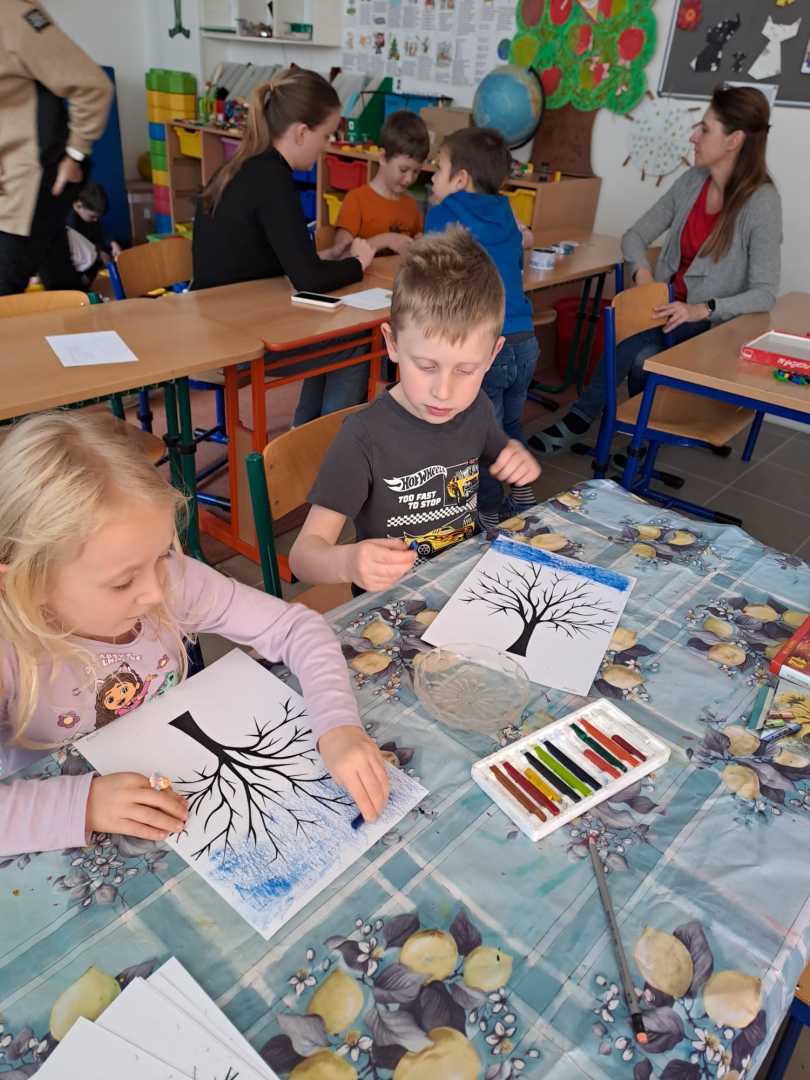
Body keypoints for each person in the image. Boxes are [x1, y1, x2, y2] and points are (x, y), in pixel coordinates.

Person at [0, 412, 388, 857]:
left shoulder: (172, 580)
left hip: (180, 790)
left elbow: (296, 627)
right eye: (122, 582)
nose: (154, 591)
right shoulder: (10, 649)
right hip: (61, 836)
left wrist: (337, 725)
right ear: (24, 584)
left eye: (163, 553)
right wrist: (82, 805)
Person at [530, 85, 782, 455]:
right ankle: (635, 437)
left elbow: (764, 293)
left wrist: (702, 309)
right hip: (666, 312)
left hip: (713, 329)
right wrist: (645, 279)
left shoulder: (762, 202)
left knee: (639, 355)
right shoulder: (692, 182)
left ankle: (602, 426)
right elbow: (634, 236)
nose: (693, 137)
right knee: (636, 344)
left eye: (704, 129)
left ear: (734, 140)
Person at [289, 228, 540, 595]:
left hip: (462, 587)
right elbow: (302, 556)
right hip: (393, 606)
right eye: (426, 366)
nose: (444, 391)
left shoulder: (477, 408)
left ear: (492, 355)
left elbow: (502, 451)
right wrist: (347, 562)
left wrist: (515, 457)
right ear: (392, 343)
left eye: (465, 370)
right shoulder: (362, 437)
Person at [192, 68, 375, 427]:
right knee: (354, 338)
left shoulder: (241, 167)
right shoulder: (274, 180)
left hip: (218, 320)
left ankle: (304, 431)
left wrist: (320, 258)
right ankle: (326, 442)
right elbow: (309, 281)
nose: (326, 146)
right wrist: (358, 263)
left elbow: (264, 258)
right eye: (325, 135)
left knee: (333, 328)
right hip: (236, 340)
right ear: (301, 132)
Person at [425, 127, 538, 529]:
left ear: (460, 178)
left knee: (480, 436)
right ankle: (522, 495)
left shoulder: (444, 214)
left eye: (438, 168)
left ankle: (486, 513)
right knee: (509, 424)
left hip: (487, 346)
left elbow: (430, 277)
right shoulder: (506, 210)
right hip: (525, 341)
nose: (432, 177)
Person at [0, 0, 112, 295]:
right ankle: (77, 317)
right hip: (9, 182)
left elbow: (93, 86)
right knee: (58, 275)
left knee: (5, 285)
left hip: (33, 177)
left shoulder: (14, 16)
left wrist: (76, 152)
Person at [332, 110, 428, 256]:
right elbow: (340, 255)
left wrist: (421, 243)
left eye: (416, 172)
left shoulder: (411, 205)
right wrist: (385, 240)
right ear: (382, 157)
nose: (409, 179)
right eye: (403, 170)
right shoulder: (356, 200)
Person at [66, 181, 121, 287]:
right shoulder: (70, 222)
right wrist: (98, 254)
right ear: (78, 206)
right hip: (74, 264)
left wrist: (113, 243)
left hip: (91, 256)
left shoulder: (86, 216)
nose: (95, 220)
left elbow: (100, 230)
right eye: (92, 216)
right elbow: (76, 251)